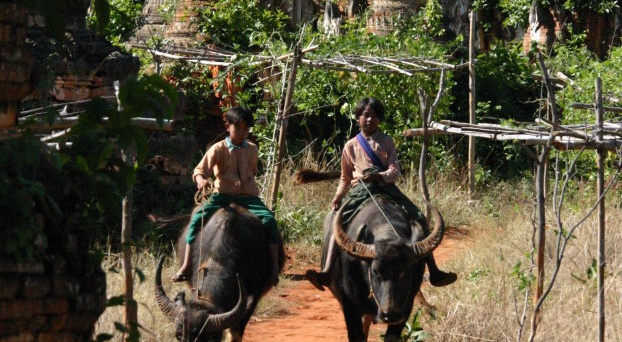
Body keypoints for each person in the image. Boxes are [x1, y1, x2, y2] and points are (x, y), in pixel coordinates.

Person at [306, 97, 457, 291]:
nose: (370, 120)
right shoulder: (350, 145)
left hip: (385, 188)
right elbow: (345, 178)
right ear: (358, 118)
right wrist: (338, 197)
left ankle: (434, 270)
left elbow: (395, 170)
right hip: (360, 190)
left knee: (419, 217)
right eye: (366, 115)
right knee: (338, 221)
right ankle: (327, 272)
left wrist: (379, 176)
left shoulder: (386, 141)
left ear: (380, 119)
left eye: (375, 116)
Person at [172, 106, 281, 285]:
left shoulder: (252, 149)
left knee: (269, 220)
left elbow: (252, 171)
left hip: (249, 198)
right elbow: (199, 170)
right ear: (227, 126)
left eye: (246, 129)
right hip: (223, 196)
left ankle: (274, 267)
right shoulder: (218, 149)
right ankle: (186, 265)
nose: (242, 133)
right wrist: (201, 181)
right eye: (238, 128)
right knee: (197, 218)